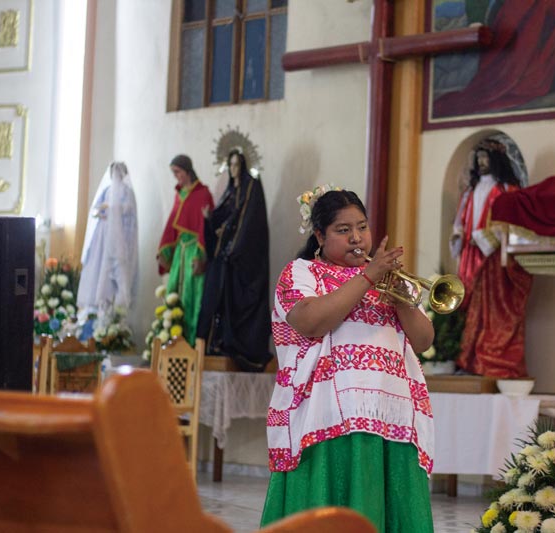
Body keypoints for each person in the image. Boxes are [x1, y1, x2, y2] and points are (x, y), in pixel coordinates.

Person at [260, 188, 435, 533]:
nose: (357, 238)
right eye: (343, 230)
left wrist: (398, 295)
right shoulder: (301, 273)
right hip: (325, 417)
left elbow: (424, 340)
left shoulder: (389, 281)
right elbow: (312, 321)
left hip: (390, 417)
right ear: (320, 237)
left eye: (363, 227)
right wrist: (368, 278)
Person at [450, 140, 533, 377]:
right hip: (470, 258)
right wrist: (459, 236)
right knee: (469, 309)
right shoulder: (469, 192)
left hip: (496, 262)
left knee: (494, 311)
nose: (481, 163)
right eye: (479, 159)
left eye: (486, 158)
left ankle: (493, 362)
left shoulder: (507, 191)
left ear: (496, 160)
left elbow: (512, 225)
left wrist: (484, 238)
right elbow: (460, 222)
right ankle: (469, 360)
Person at [197, 149, 272, 371]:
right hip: (225, 259)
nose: (233, 169)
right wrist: (209, 221)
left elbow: (250, 224)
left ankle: (232, 344)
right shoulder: (230, 193)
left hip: (239, 261)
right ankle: (217, 342)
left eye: (237, 165)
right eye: (230, 165)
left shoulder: (252, 188)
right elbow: (221, 219)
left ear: (243, 165)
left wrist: (232, 242)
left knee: (233, 298)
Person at [157, 154, 214, 345]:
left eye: (178, 172)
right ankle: (171, 337)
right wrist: (164, 253)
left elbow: (206, 228)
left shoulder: (203, 193)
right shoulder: (179, 194)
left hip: (194, 252)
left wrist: (203, 257)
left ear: (187, 170)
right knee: (173, 292)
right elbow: (171, 227)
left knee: (191, 297)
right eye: (173, 173)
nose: (176, 177)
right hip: (179, 253)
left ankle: (190, 343)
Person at [77, 161, 139, 316]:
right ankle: (98, 307)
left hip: (120, 238)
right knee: (99, 268)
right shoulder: (107, 190)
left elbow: (129, 213)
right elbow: (96, 210)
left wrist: (114, 209)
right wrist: (104, 210)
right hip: (103, 234)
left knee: (117, 272)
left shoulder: (127, 192)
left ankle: (116, 309)